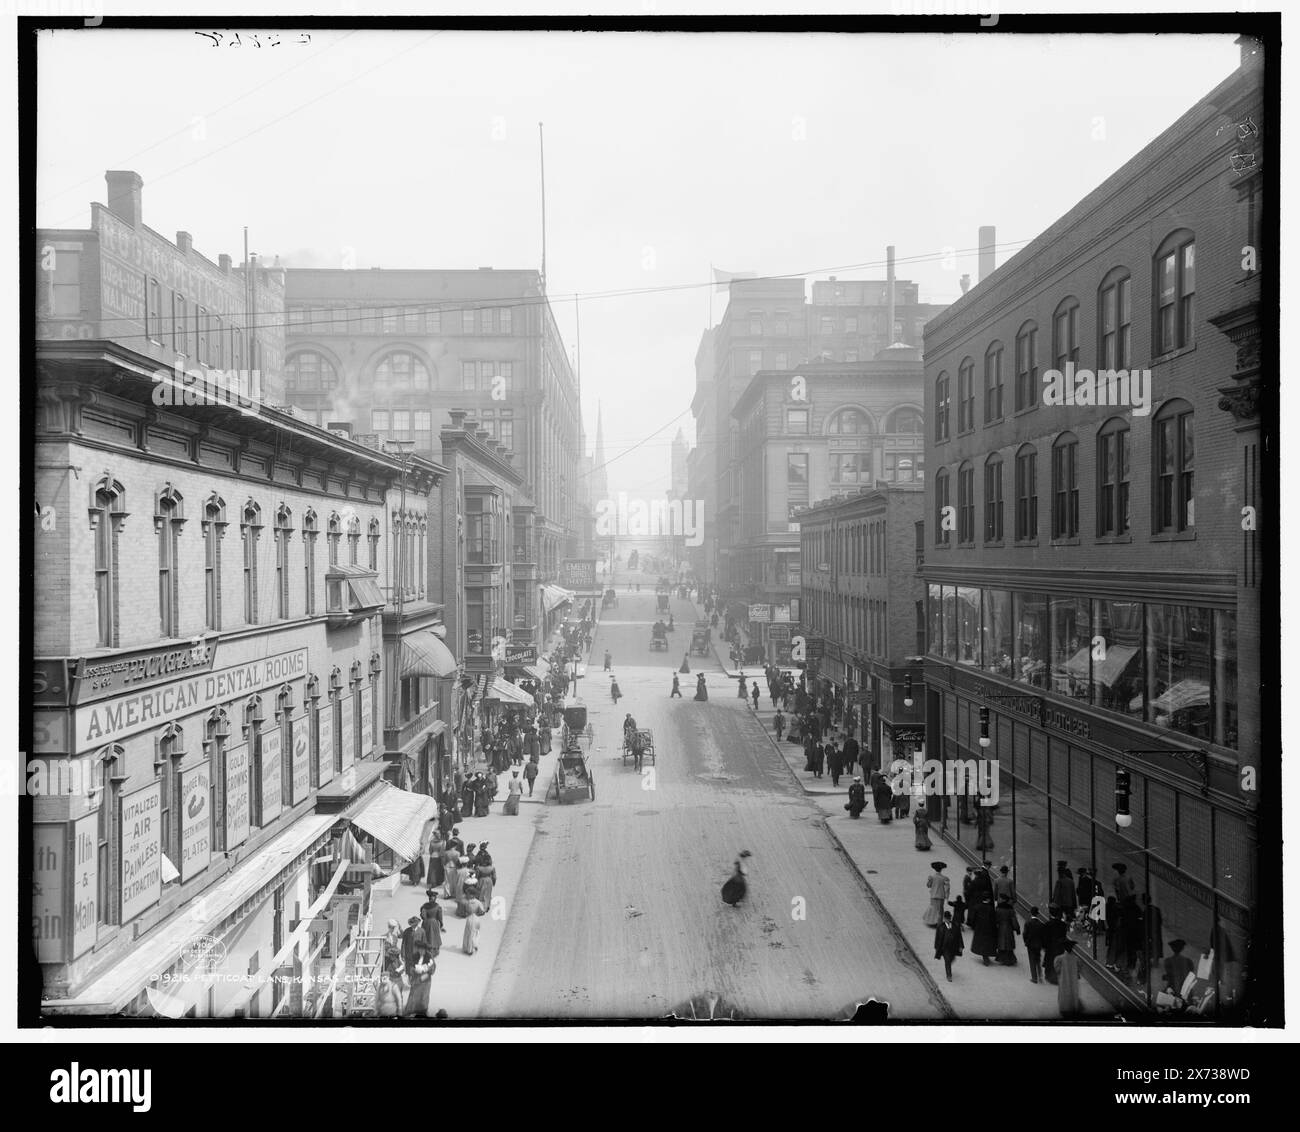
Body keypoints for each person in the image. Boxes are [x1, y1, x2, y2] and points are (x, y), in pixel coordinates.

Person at [404, 936, 434, 1017]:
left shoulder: (429, 956)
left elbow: (432, 969)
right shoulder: (415, 955)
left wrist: (424, 975)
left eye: (422, 950)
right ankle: (410, 1010)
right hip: (416, 978)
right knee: (413, 995)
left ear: (425, 950)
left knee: (423, 996)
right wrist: (412, 972)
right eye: (419, 949)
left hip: (425, 980)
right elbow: (411, 966)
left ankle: (422, 1012)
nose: (420, 951)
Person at [1055, 939, 1082, 1018]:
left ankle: (1064, 1008)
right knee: (1073, 992)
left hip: (1063, 979)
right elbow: (1079, 968)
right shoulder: (1076, 959)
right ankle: (1073, 1008)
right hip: (1073, 979)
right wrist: (1076, 973)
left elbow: (1057, 969)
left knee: (1064, 992)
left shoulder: (1059, 959)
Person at [934, 910, 963, 982]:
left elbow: (959, 937)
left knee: (951, 959)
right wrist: (936, 947)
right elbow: (937, 938)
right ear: (944, 919)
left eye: (949, 918)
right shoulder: (940, 927)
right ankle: (949, 975)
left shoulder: (955, 926)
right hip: (944, 948)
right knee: (947, 960)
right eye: (946, 919)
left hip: (953, 947)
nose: (947, 920)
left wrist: (961, 946)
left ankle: (950, 963)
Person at [1044, 906, 1069, 985]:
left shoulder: (1048, 924)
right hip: (1059, 946)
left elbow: (1045, 936)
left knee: (1050, 961)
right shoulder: (1063, 925)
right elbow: (1064, 936)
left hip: (1051, 946)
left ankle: (1050, 976)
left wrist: (1045, 945)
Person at [970, 895, 998, 966]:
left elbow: (973, 918)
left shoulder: (977, 907)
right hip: (989, 928)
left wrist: (973, 926)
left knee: (981, 941)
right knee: (987, 942)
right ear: (988, 900)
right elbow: (994, 920)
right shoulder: (991, 909)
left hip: (979, 928)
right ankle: (986, 956)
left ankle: (984, 956)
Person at [1023, 907, 1046, 984]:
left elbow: (1025, 934)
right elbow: (1043, 936)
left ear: (1030, 913)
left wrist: (1026, 942)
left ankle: (1034, 978)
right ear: (1038, 914)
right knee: (1038, 960)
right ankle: (1040, 976)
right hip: (1038, 945)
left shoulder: (1028, 923)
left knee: (1032, 961)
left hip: (1030, 944)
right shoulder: (1041, 924)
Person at [995, 897, 1021, 966]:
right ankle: (1009, 960)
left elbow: (996, 919)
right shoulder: (1010, 909)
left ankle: (1001, 958)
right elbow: (1014, 920)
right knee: (1009, 944)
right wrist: (1017, 929)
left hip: (1000, 928)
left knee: (1002, 944)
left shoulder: (998, 908)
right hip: (1009, 928)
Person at [923, 861, 950, 926]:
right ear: (941, 870)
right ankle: (939, 923)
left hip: (933, 895)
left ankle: (931, 922)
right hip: (941, 896)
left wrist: (929, 880)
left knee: (933, 908)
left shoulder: (932, 877)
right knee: (940, 910)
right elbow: (947, 888)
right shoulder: (944, 878)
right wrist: (947, 896)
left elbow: (928, 885)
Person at [462, 891, 486, 955]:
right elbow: (483, 912)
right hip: (476, 919)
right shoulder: (478, 902)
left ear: (471, 895)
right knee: (475, 934)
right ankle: (474, 946)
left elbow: (465, 912)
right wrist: (478, 914)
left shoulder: (467, 902)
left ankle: (467, 949)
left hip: (469, 918)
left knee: (467, 933)